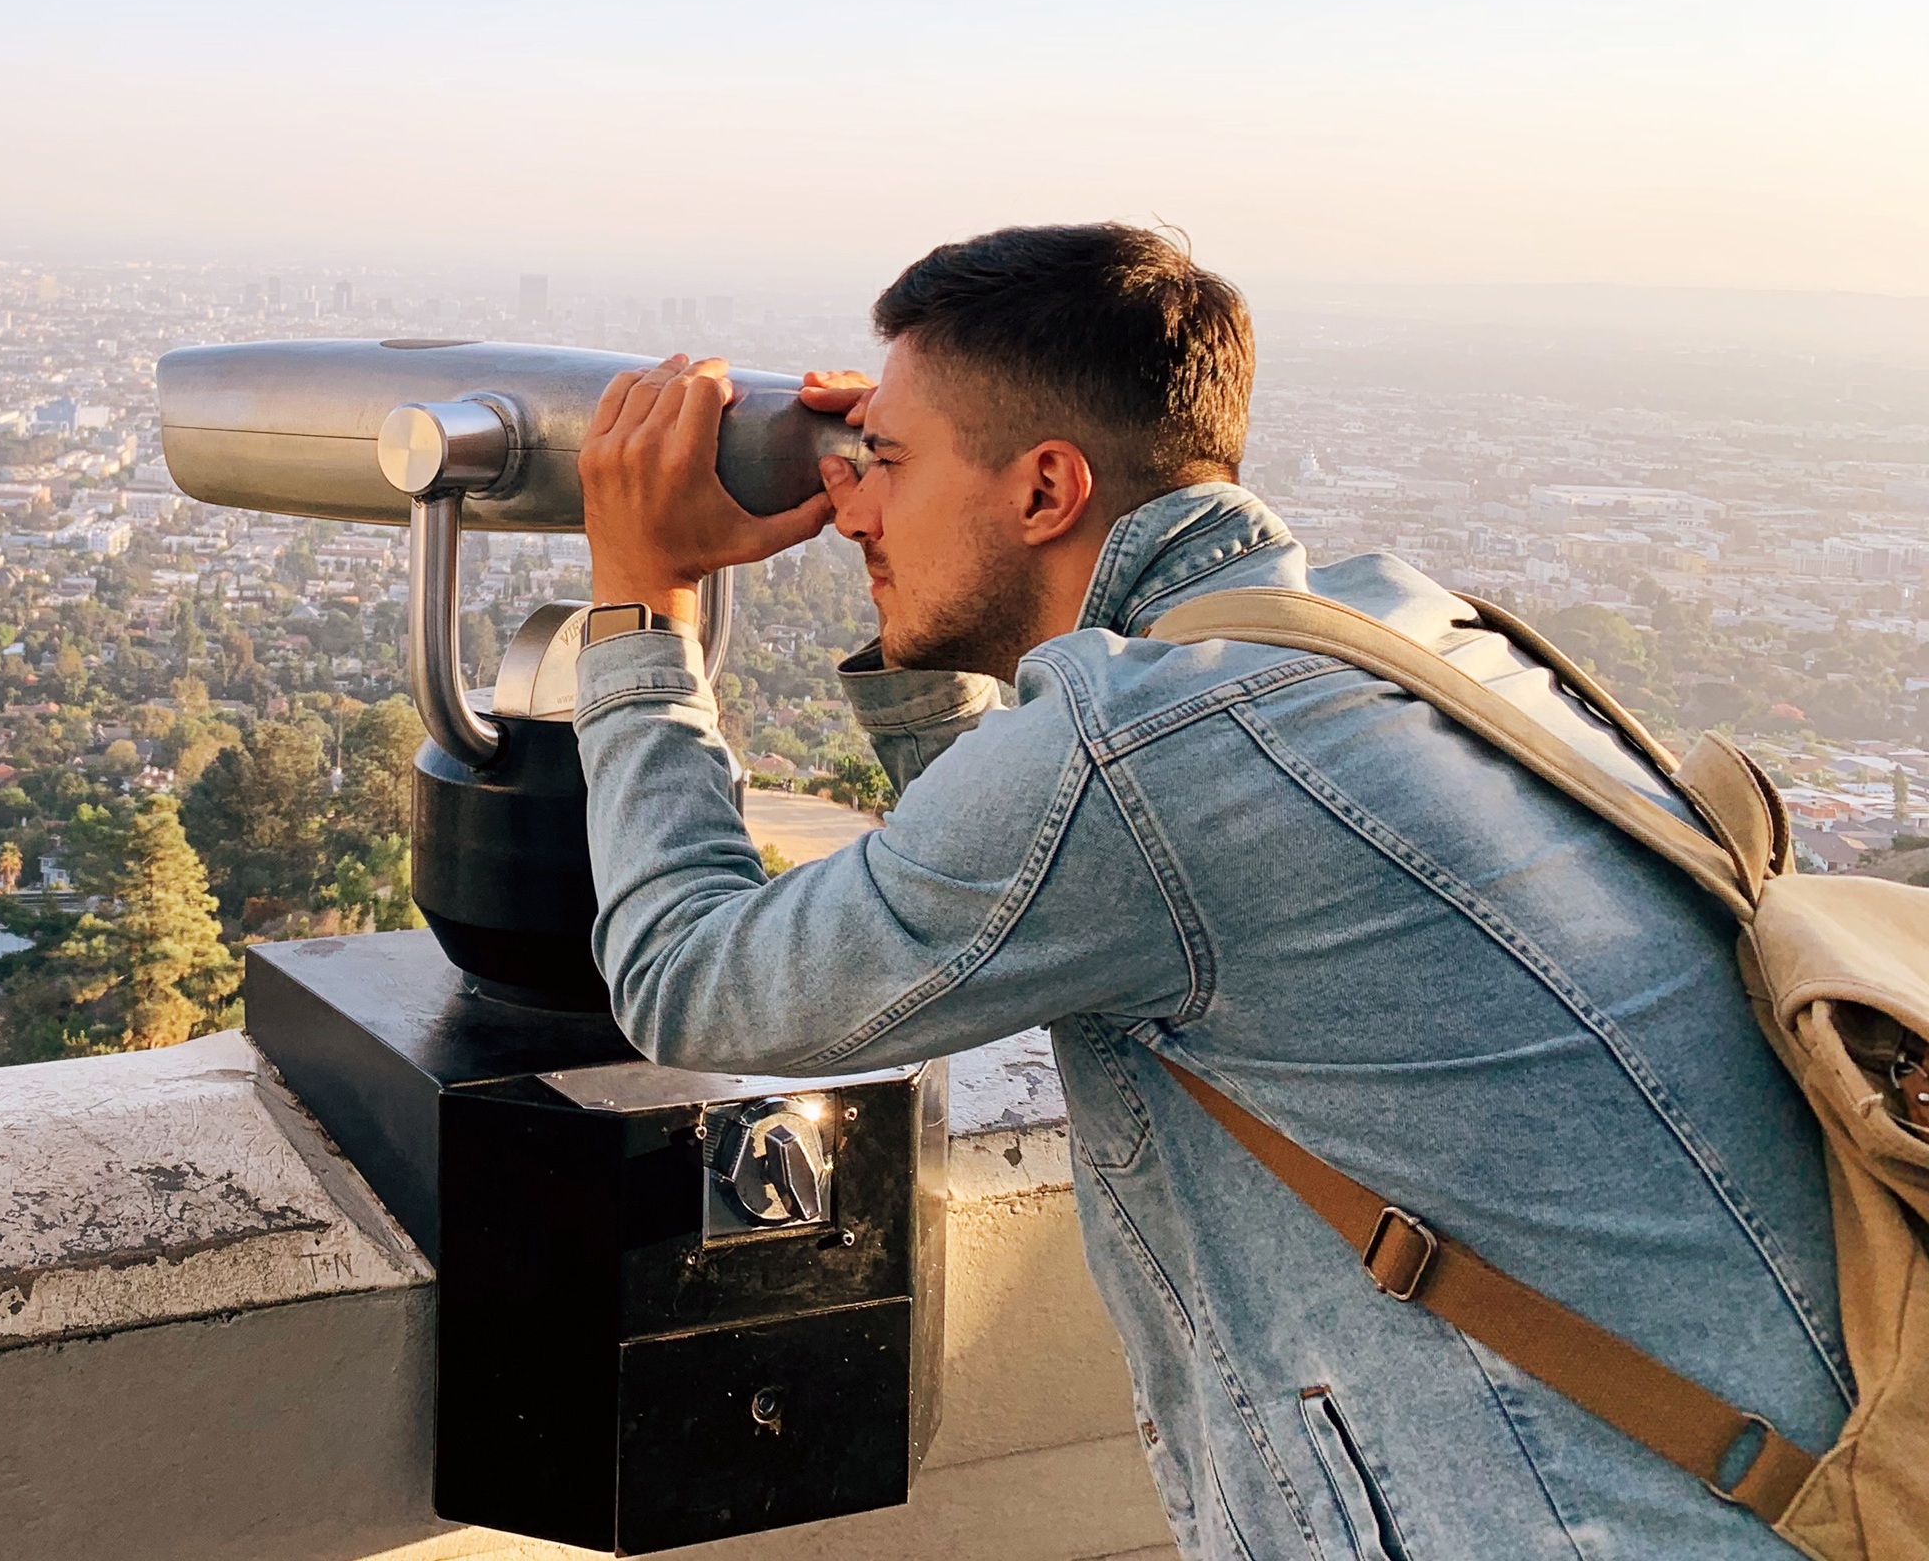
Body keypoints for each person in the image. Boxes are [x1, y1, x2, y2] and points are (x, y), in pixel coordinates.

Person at [570, 223, 1843, 1559]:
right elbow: (1039, 872)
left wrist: (639, 602)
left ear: (1048, 486)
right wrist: (911, 552)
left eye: (880, 463)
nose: (849, 502)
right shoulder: (1413, 644)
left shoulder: (1147, 757)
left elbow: (690, 979)